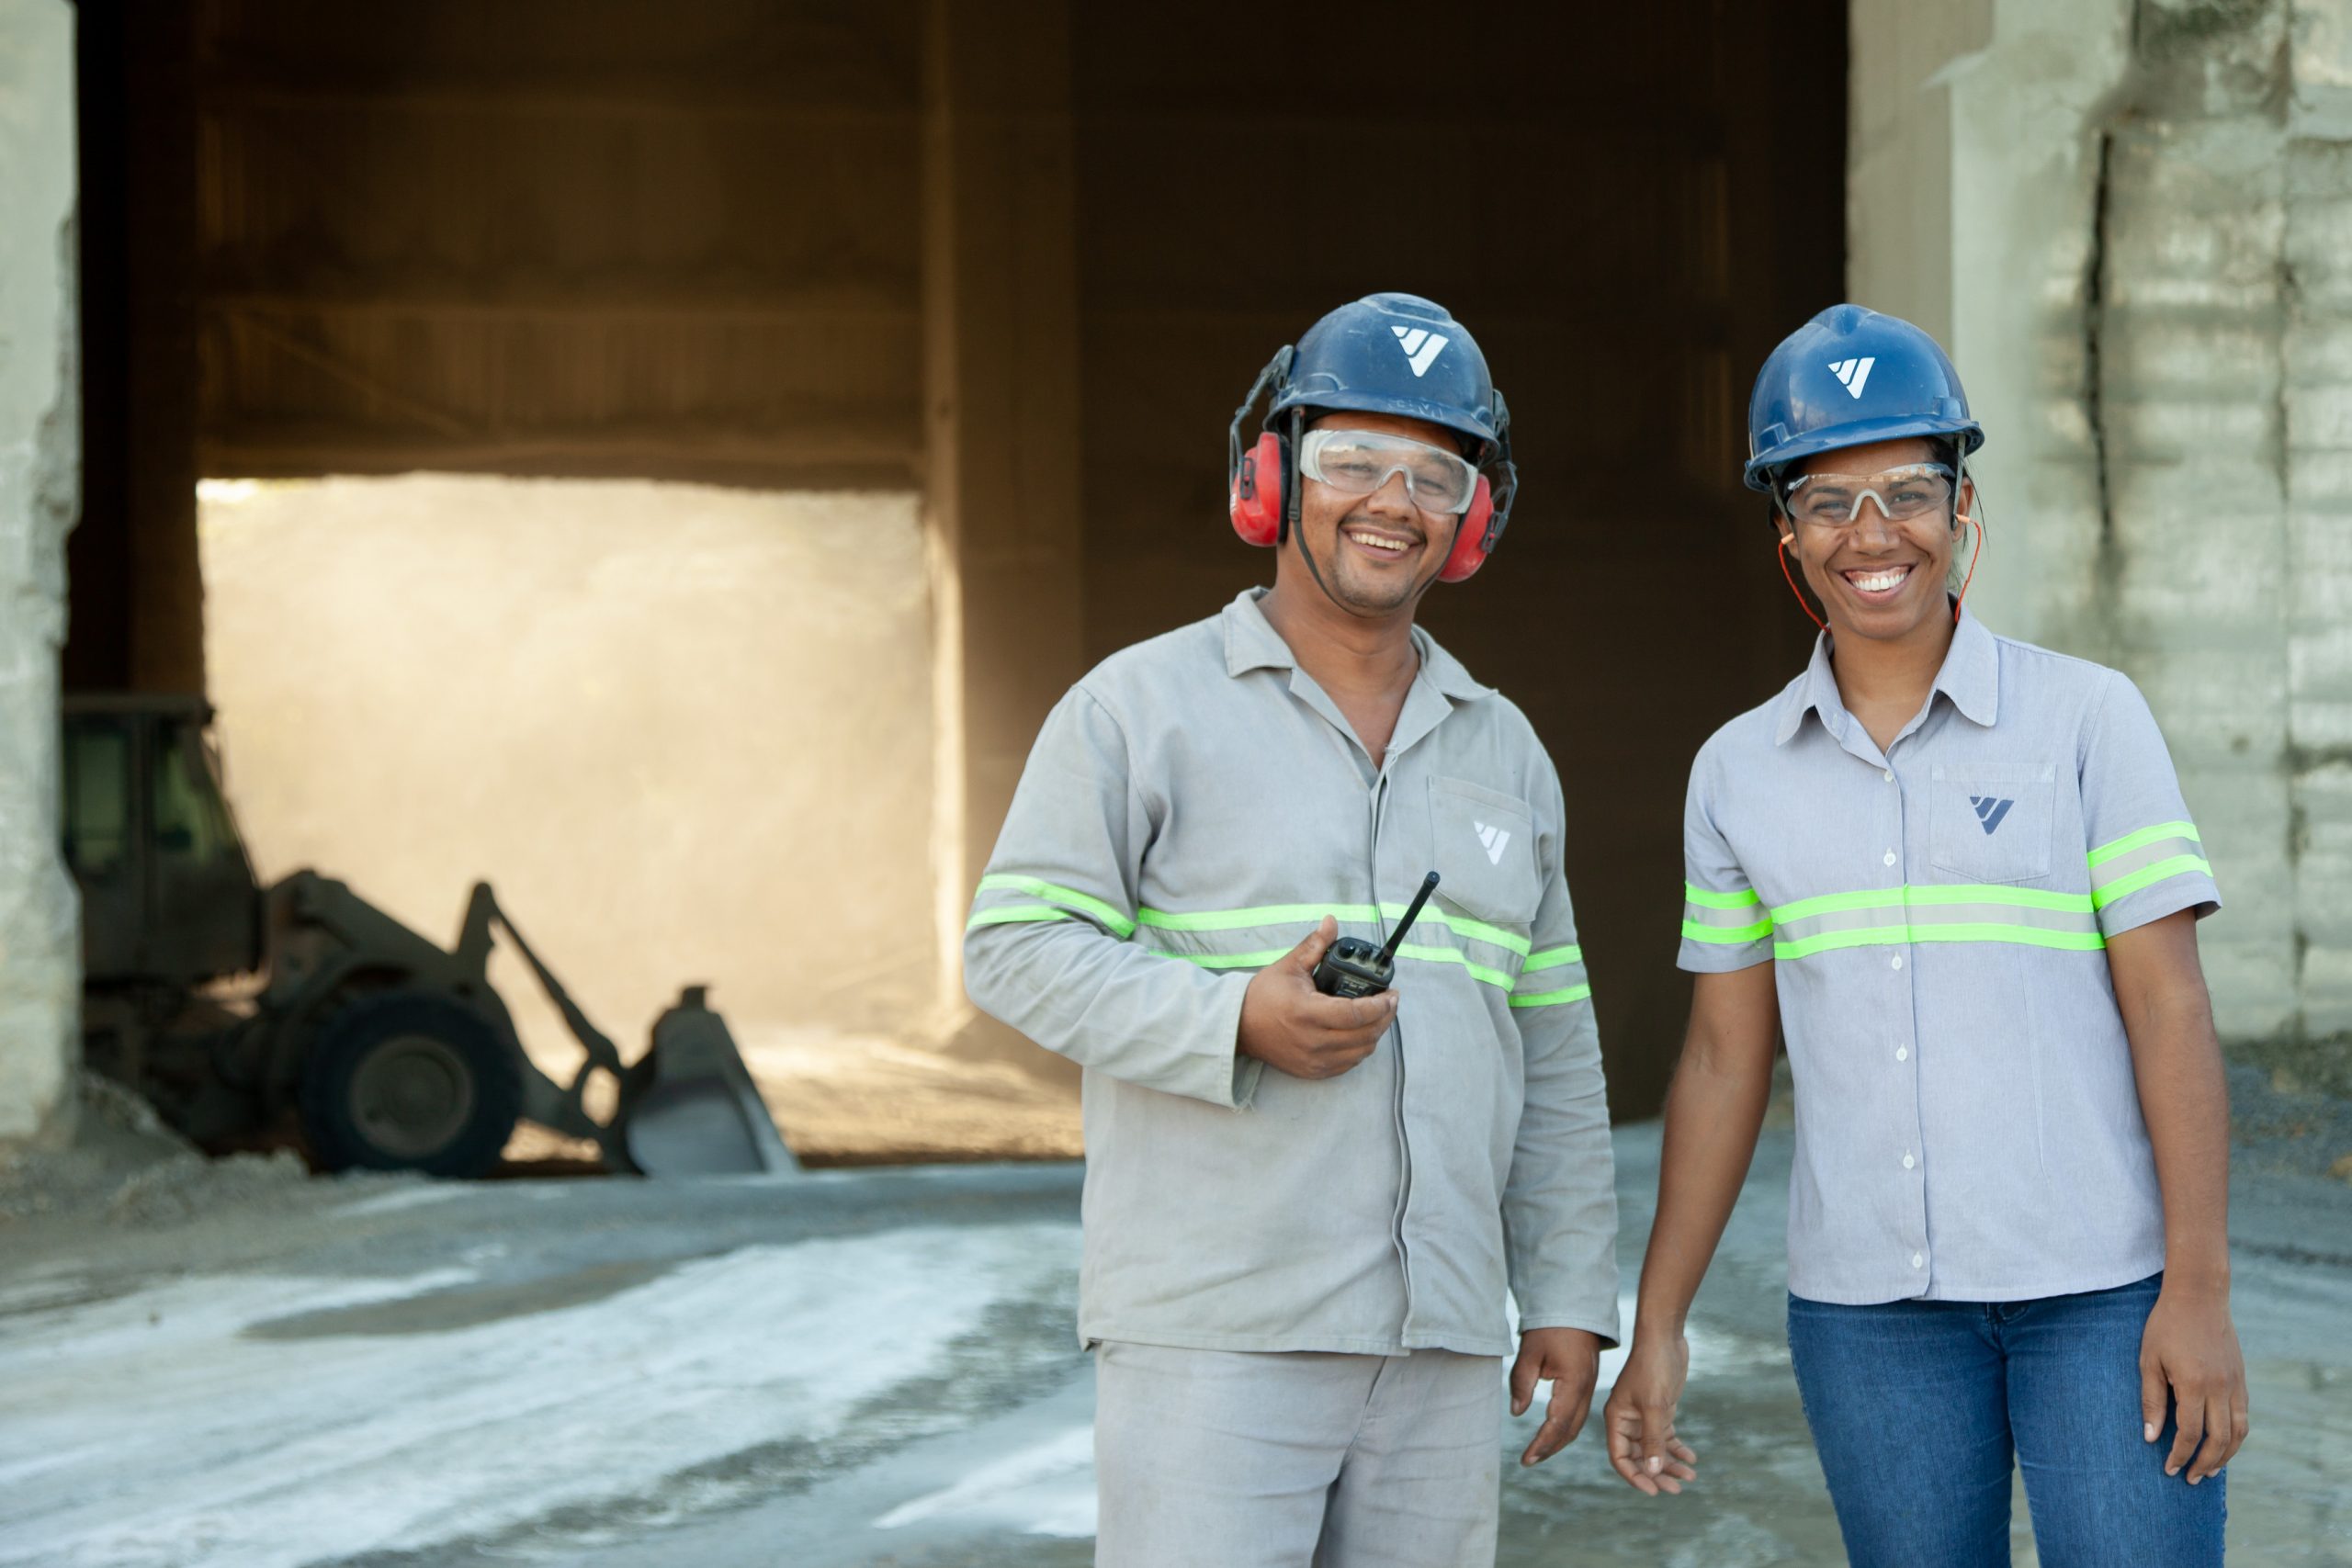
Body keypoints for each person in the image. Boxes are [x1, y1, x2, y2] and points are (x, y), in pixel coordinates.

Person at [963, 292, 1619, 1567]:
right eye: (1349, 461)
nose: (1392, 500)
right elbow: (1015, 945)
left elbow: (1555, 1053)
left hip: (1439, 1342)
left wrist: (1571, 1293)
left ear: (1474, 518)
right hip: (1218, 1336)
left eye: (1436, 473)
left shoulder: (1505, 748)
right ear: (1271, 478)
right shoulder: (1136, 712)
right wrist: (1233, 1018)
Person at [1600, 303, 2250, 1565]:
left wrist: (2200, 1287)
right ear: (1786, 531)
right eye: (1829, 500)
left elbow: (2171, 1006)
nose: (1871, 533)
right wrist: (1660, 1319)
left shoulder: (2086, 721)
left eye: (1906, 490)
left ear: (1962, 508)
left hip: (2102, 1296)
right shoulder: (1738, 774)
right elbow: (1726, 1061)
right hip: (1870, 1321)